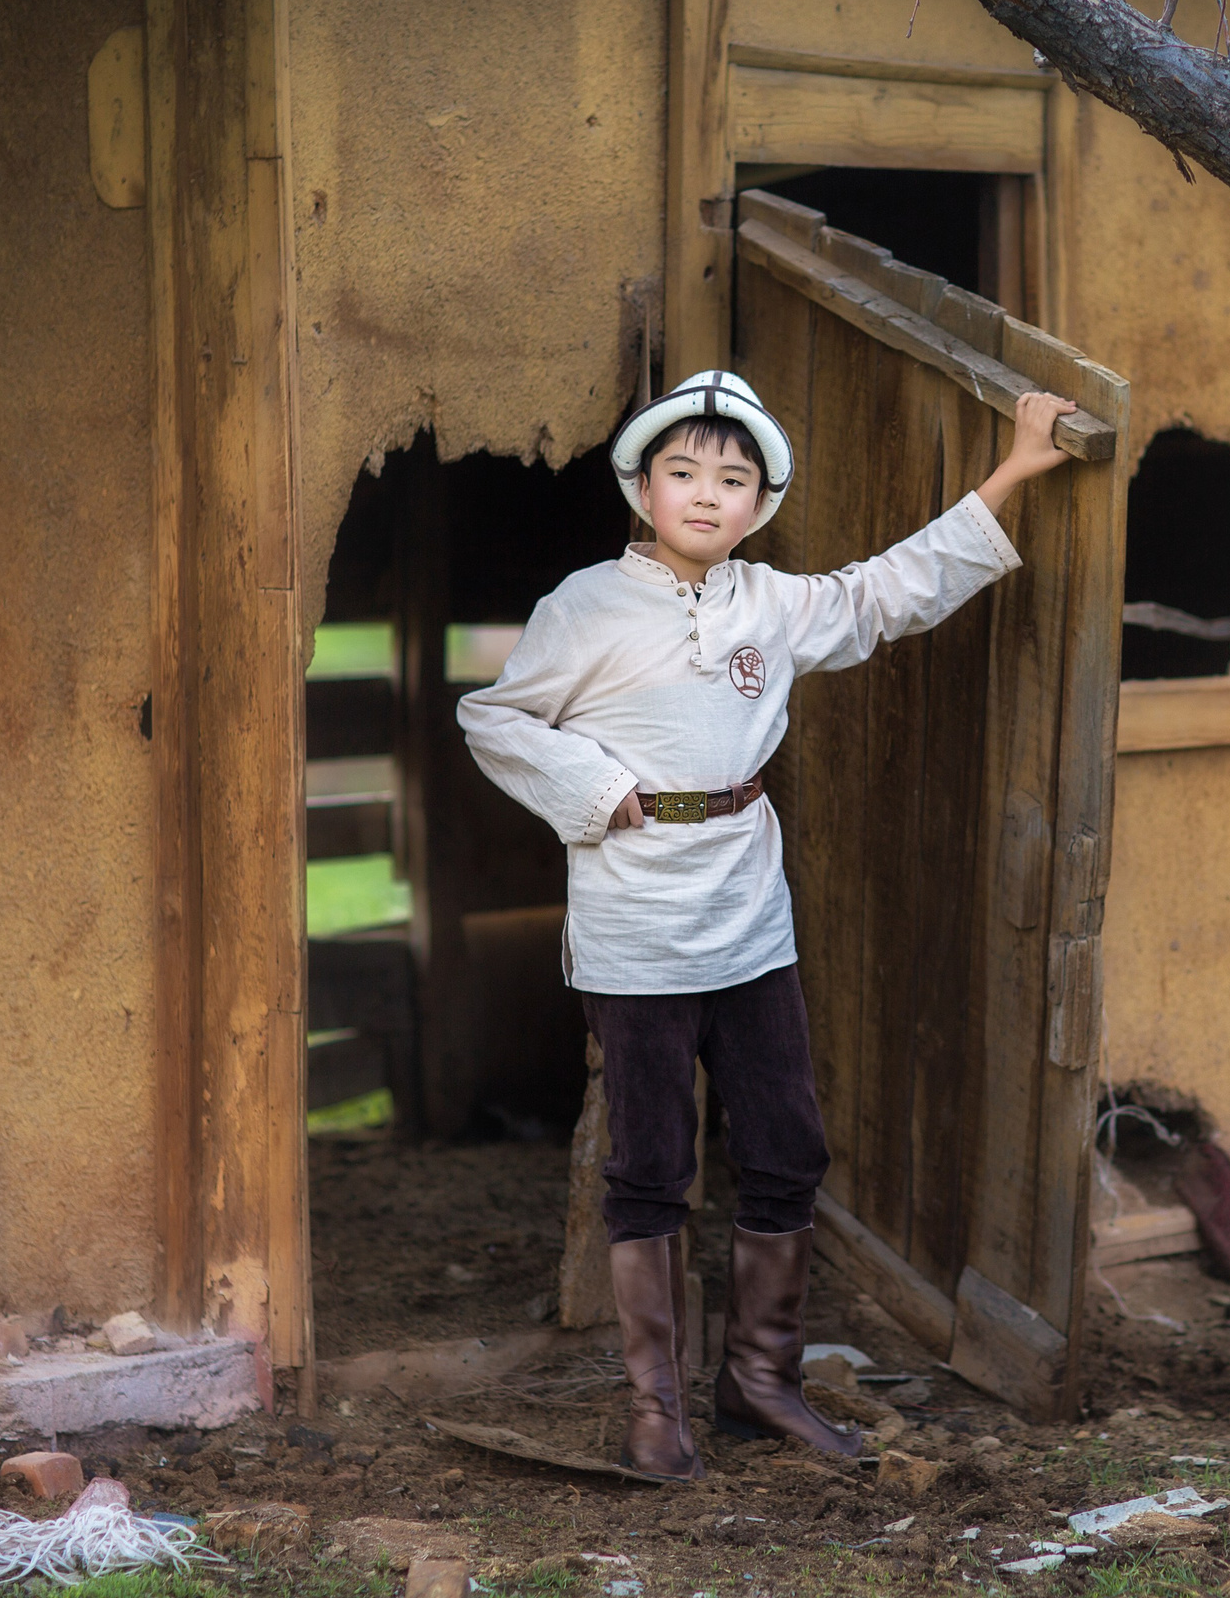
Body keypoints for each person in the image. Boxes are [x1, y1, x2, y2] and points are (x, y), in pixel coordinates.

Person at [457, 369, 1079, 1480]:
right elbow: (493, 718)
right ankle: (656, 1412)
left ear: (760, 502)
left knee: (787, 1147)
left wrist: (1017, 470)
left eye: (733, 478)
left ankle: (761, 1383)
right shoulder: (584, 606)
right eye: (683, 472)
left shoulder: (770, 604)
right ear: (643, 488)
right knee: (652, 1164)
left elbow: (890, 590)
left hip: (749, 918)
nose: (707, 493)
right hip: (638, 924)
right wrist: (598, 788)